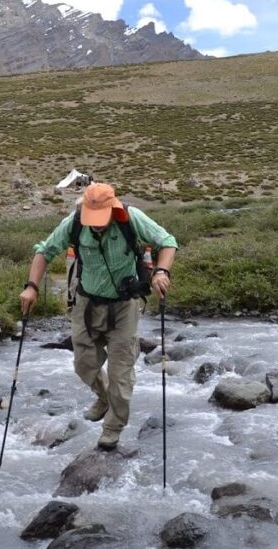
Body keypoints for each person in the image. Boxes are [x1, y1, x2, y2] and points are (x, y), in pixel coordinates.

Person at [19, 182, 177, 451]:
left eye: (101, 219)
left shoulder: (131, 217)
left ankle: (112, 428)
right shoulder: (75, 222)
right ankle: (103, 398)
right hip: (87, 303)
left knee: (121, 374)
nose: (97, 225)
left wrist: (162, 272)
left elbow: (167, 242)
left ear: (112, 209)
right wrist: (31, 287)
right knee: (83, 363)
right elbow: (44, 251)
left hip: (124, 306)